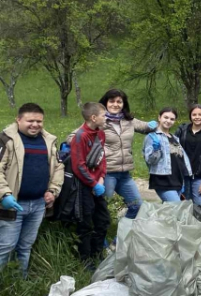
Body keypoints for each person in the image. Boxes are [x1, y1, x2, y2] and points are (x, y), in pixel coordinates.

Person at [0, 103, 64, 274]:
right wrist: (4, 194)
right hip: (12, 205)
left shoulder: (48, 141)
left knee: (25, 246)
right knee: (5, 247)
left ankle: (20, 281)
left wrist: (53, 191)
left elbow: (58, 167)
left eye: (39, 121)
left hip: (37, 205)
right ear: (18, 119)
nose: (35, 125)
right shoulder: (6, 140)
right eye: (30, 121)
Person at [98, 89, 157, 219]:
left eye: (119, 102)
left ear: (123, 104)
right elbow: (75, 136)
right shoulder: (99, 121)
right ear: (105, 103)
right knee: (103, 209)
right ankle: (100, 238)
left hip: (124, 174)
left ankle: (120, 237)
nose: (115, 104)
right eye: (112, 101)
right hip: (106, 173)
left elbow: (146, 127)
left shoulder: (128, 120)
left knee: (137, 206)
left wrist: (156, 125)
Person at [70, 102, 111, 264]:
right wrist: (93, 184)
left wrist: (101, 179)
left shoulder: (100, 134)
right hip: (84, 187)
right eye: (103, 115)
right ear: (93, 118)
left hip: (98, 185)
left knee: (103, 220)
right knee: (85, 224)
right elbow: (78, 166)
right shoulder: (80, 136)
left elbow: (102, 159)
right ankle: (85, 261)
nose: (106, 118)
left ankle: (98, 254)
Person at [143, 107, 192, 202]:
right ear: (159, 118)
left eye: (172, 119)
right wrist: (156, 150)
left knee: (171, 214)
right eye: (165, 117)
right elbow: (150, 160)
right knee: (177, 210)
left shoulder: (175, 138)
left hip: (177, 180)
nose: (168, 121)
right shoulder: (152, 137)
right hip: (163, 181)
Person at [174, 104, 201, 206]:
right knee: (181, 206)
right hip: (182, 176)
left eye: (200, 114)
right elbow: (173, 149)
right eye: (194, 114)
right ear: (190, 116)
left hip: (199, 177)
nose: (197, 117)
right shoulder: (182, 130)